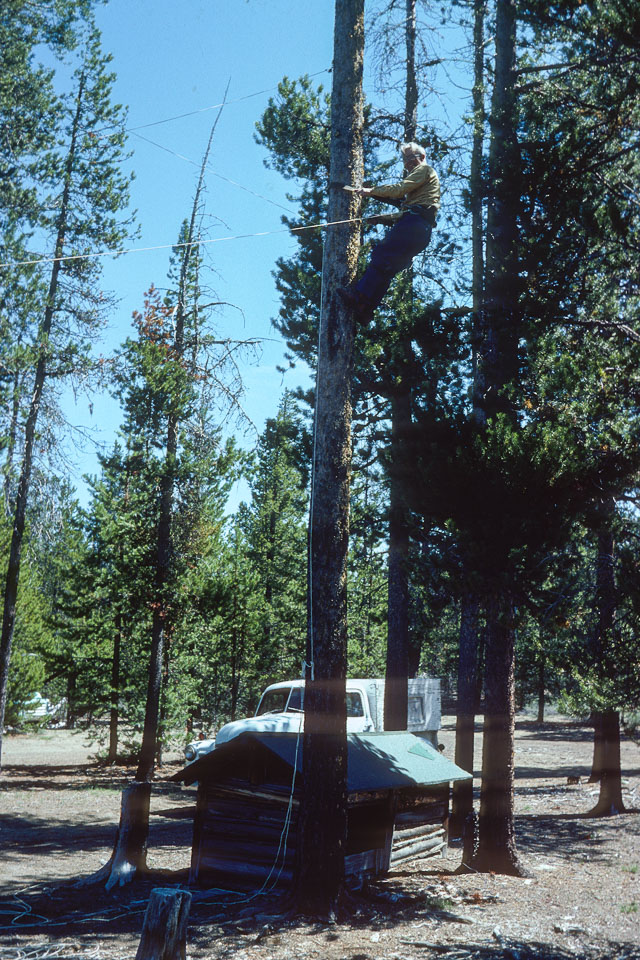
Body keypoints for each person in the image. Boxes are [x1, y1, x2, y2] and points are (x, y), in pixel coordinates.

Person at [339, 141, 440, 322]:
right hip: (421, 230)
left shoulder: (425, 170)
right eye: (405, 160)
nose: (408, 163)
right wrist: (382, 218)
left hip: (414, 224)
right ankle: (365, 309)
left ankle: (360, 297)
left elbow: (399, 190)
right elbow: (408, 211)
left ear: (422, 157)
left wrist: (371, 191)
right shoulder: (422, 189)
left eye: (411, 158)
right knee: (388, 268)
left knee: (382, 255)